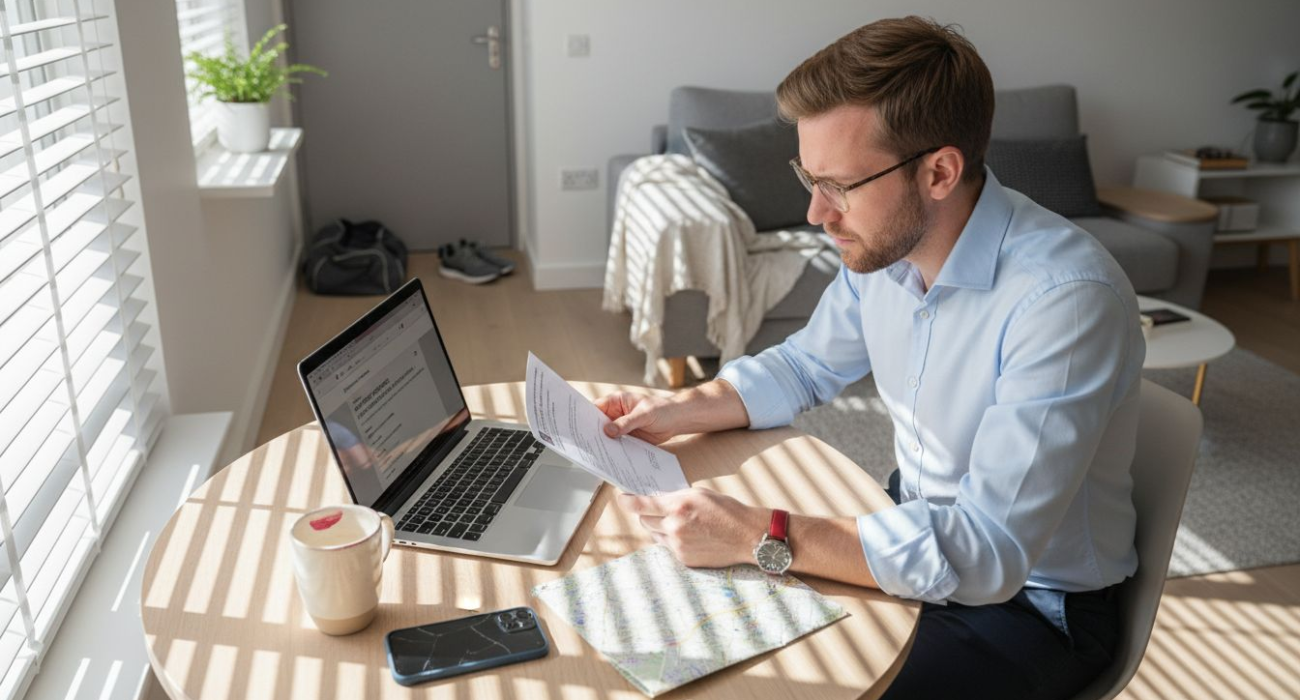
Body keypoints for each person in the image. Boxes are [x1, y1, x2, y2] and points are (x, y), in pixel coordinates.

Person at [595, 16, 1143, 700]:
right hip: (911, 527)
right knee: (685, 629)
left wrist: (759, 533)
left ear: (939, 172)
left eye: (840, 185)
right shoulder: (887, 252)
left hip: (1031, 607)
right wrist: (679, 408)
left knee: (791, 685)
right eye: (808, 176)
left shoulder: (1064, 300)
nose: (816, 212)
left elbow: (987, 553)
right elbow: (806, 365)